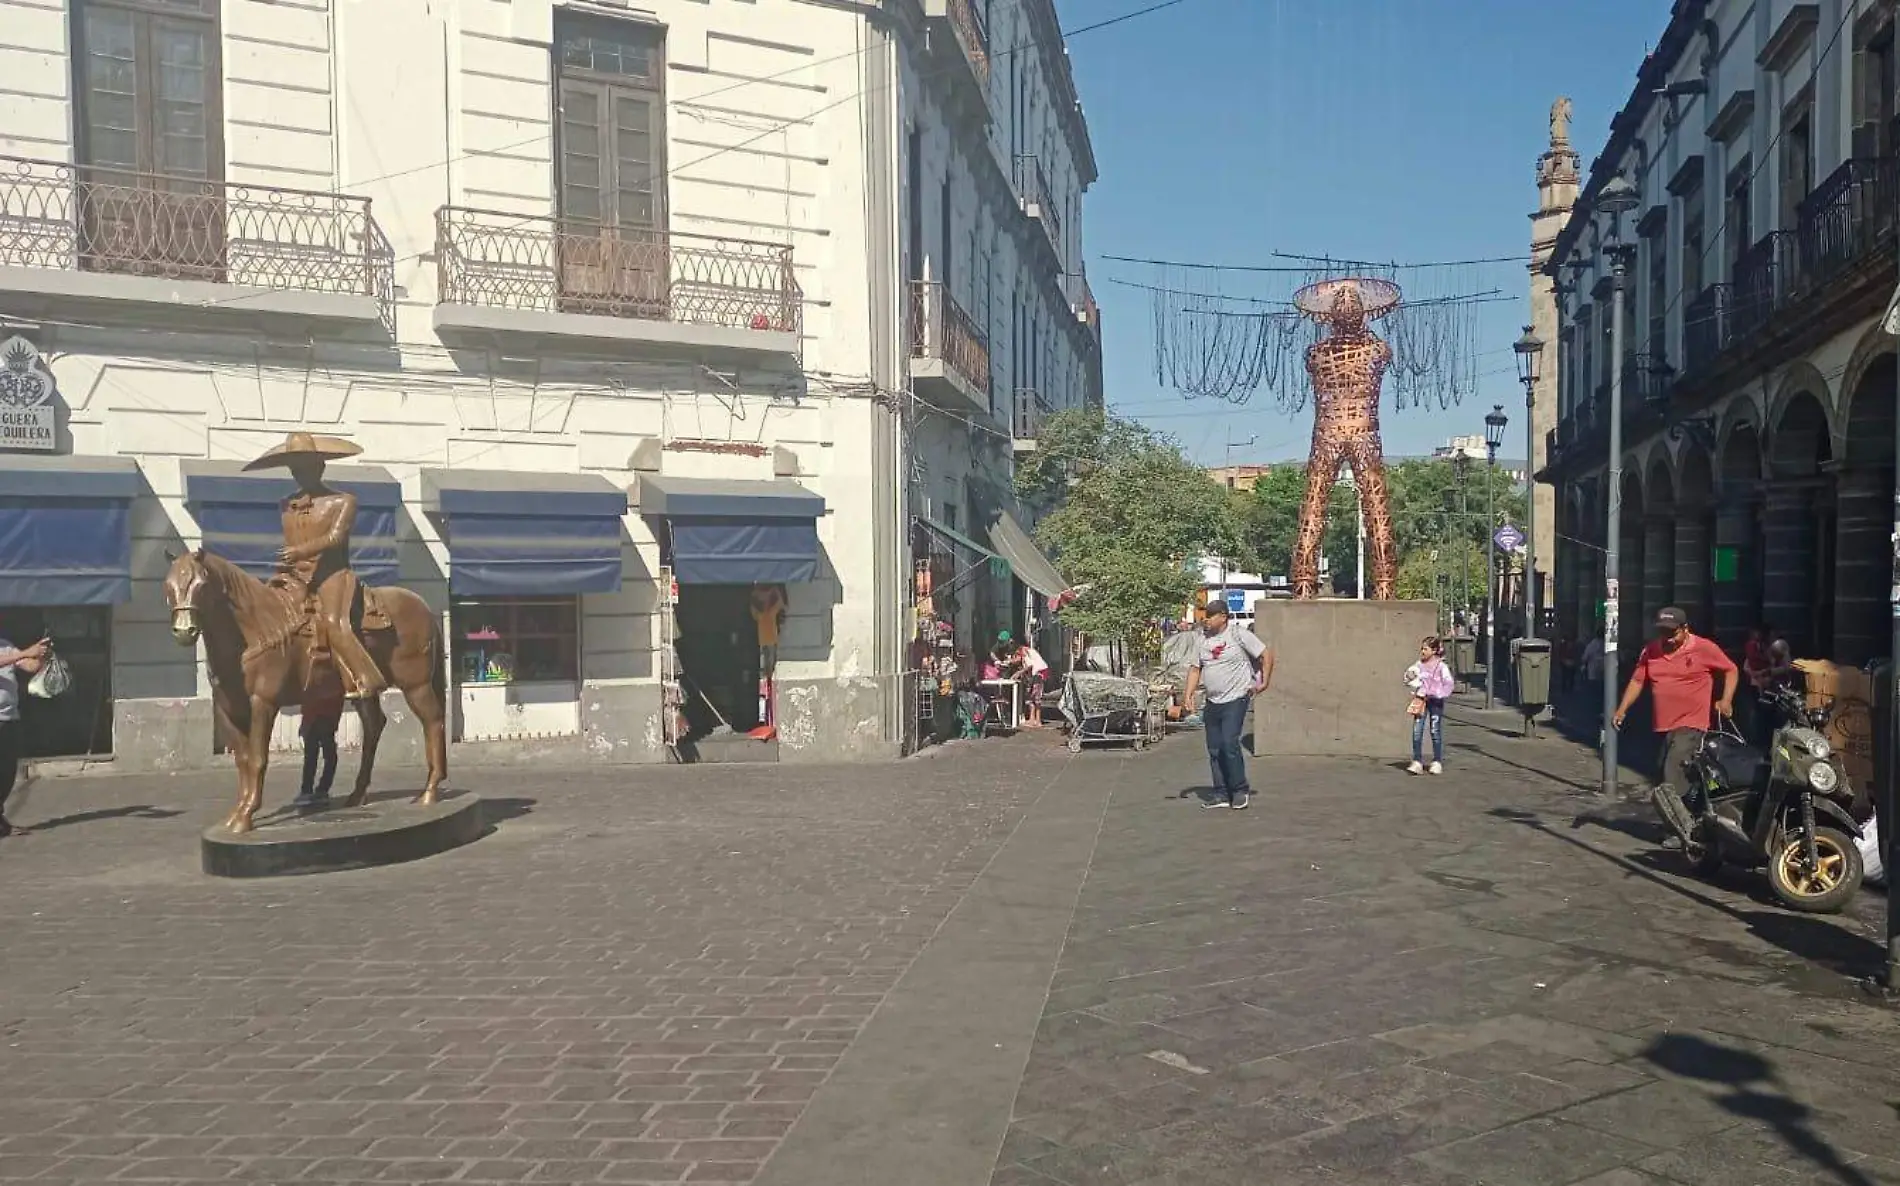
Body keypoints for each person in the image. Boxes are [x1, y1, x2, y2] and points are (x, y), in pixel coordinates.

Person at [244, 432, 386, 702]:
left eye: (305, 466)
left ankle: (367, 678)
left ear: (320, 466)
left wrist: (300, 551)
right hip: (296, 576)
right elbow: (289, 542)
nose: (299, 473)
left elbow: (336, 538)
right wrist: (283, 569)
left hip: (332, 574)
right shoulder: (286, 504)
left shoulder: (343, 501)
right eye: (294, 468)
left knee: (334, 622)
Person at [1612, 606, 1739, 846]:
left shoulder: (1703, 648)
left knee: (1673, 774)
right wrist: (1622, 709)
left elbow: (1731, 669)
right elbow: (1638, 680)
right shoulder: (1651, 651)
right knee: (1663, 775)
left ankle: (1682, 831)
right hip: (1662, 726)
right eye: (1662, 632)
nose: (1667, 637)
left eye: (1672, 632)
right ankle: (1693, 819)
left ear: (1685, 629)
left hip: (1692, 722)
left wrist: (1726, 699)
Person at [1181, 603, 1272, 810]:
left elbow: (1266, 654)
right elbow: (1195, 669)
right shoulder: (1202, 640)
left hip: (1236, 698)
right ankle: (1221, 793)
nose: (1207, 619)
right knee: (1214, 748)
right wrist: (1188, 695)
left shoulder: (1238, 635)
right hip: (1213, 701)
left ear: (1223, 617)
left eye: (1211, 616)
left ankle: (1239, 790)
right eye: (1206, 615)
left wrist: (1264, 681)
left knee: (1229, 743)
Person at [0, 635, 48, 837]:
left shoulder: (5, 645)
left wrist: (41, 656)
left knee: (7, 772)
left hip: (9, 717)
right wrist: (27, 651)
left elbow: (29, 666)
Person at [1403, 636, 1454, 775]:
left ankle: (1437, 761)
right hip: (1421, 700)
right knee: (1417, 730)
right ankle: (1417, 761)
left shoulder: (1441, 667)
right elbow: (1408, 677)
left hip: (1435, 701)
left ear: (1434, 650)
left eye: (1425, 649)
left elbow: (1448, 684)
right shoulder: (1418, 665)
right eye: (1422, 648)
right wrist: (1410, 676)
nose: (1422, 651)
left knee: (1434, 730)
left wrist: (1439, 693)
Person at [297, 671, 345, 807]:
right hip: (325, 720)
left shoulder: (312, 678)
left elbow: (308, 703)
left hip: (316, 720)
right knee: (328, 756)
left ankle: (308, 790)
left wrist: (305, 724)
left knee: (312, 757)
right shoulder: (334, 679)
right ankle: (321, 789)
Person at [1017, 640, 1050, 728]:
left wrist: (1019, 673)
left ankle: (1038, 720)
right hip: (1038, 675)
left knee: (1036, 698)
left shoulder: (1026, 653)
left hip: (1038, 675)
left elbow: (1030, 665)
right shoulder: (1030, 652)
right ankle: (1032, 719)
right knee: (1031, 697)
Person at [1580, 627, 1606, 715]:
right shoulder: (1607, 644)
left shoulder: (1592, 644)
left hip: (1593, 670)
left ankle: (1596, 710)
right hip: (1605, 670)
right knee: (1602, 691)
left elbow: (1585, 656)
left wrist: (1584, 663)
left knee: (1595, 692)